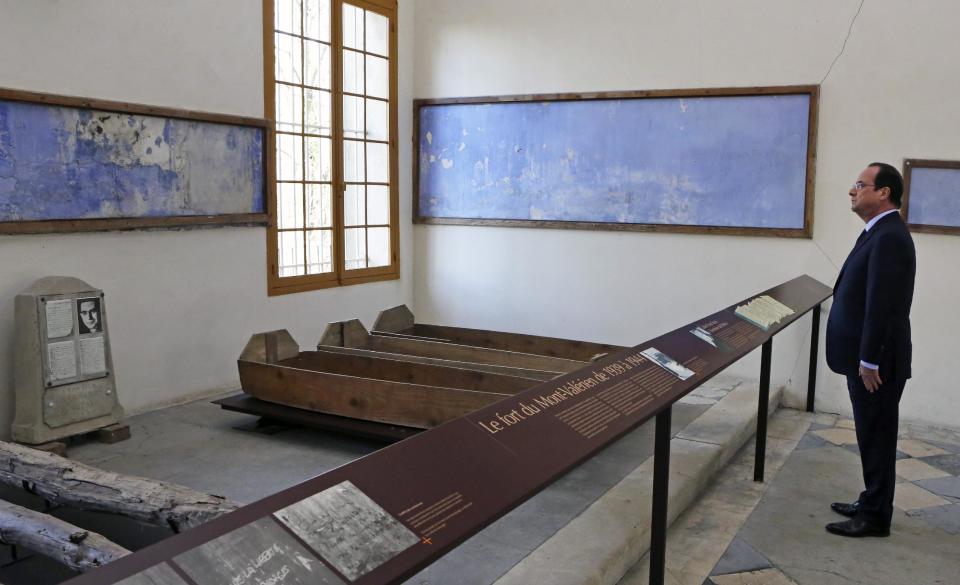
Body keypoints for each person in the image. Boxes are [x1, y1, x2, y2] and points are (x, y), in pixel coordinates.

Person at [824, 162, 916, 537]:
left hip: (877, 364)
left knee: (877, 435)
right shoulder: (878, 232)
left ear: (884, 192)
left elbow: (884, 304)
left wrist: (869, 360)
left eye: (861, 184)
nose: (852, 190)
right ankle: (872, 499)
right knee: (869, 433)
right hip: (867, 359)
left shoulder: (890, 236)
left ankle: (876, 517)